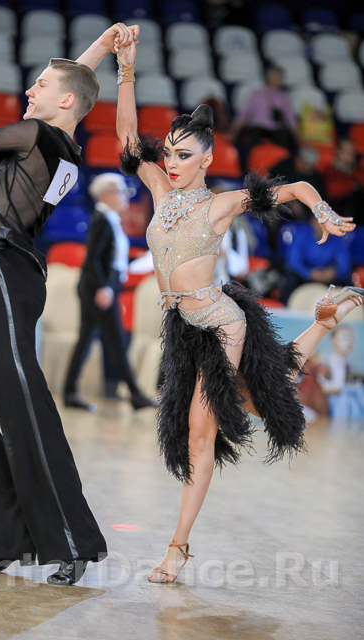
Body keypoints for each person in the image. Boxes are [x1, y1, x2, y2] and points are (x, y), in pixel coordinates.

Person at [115, 36, 362, 584]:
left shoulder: (222, 204)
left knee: (201, 433)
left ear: (207, 158)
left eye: (183, 155)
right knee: (256, 400)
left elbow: (296, 186)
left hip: (222, 324)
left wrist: (322, 211)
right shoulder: (158, 190)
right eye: (168, 153)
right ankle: (322, 324)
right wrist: (126, 72)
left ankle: (177, 548)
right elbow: (128, 141)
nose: (171, 163)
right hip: (183, 327)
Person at [0, 22, 139, 587]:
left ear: (64, 101)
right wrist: (101, 48)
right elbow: (72, 83)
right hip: (2, 271)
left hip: (5, 267)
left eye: (40, 85)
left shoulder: (33, 133)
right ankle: (10, 539)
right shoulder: (61, 144)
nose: (30, 90)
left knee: (23, 401)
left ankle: (71, 540)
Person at [63, 172, 156, 411]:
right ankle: (135, 394)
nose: (125, 197)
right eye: (121, 192)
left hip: (101, 288)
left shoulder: (109, 219)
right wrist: (104, 287)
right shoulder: (102, 220)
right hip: (99, 290)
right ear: (107, 195)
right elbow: (92, 259)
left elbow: (112, 259)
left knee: (87, 340)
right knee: (115, 340)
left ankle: (69, 391)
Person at [280, 210, 352, 304]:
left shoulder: (338, 238)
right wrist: (309, 273)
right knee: (291, 280)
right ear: (313, 221)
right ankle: (286, 307)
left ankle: (346, 310)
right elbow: (293, 261)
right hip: (306, 276)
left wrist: (334, 273)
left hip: (328, 278)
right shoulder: (302, 235)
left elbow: (345, 265)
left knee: (348, 283)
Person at [231, 65, 298, 149]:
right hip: (259, 125)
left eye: (280, 77)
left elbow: (290, 117)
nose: (278, 80)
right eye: (276, 77)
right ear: (269, 78)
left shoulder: (283, 96)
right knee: (253, 136)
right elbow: (244, 113)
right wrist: (233, 131)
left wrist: (298, 136)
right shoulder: (257, 94)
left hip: (276, 127)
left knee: (283, 138)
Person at [323, 138, 364, 227]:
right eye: (347, 151)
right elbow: (333, 190)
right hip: (337, 213)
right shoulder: (330, 170)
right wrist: (352, 185)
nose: (350, 154)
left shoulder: (358, 171)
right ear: (338, 151)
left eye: (352, 151)